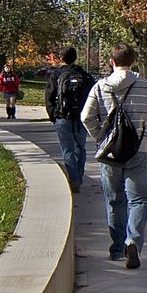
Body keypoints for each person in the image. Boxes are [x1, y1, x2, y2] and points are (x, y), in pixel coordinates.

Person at [81, 43, 147, 269]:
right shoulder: (146, 86)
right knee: (139, 200)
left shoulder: (100, 87)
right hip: (138, 150)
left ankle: (117, 248)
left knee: (114, 200)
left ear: (112, 62)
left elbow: (86, 117)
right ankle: (133, 242)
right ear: (134, 62)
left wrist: (100, 138)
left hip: (110, 154)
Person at [45, 47, 97, 191]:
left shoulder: (56, 75)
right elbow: (93, 97)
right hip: (81, 117)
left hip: (63, 117)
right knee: (80, 148)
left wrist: (54, 116)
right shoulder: (85, 75)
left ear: (61, 58)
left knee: (67, 150)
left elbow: (49, 97)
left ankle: (74, 179)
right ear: (76, 58)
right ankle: (79, 177)